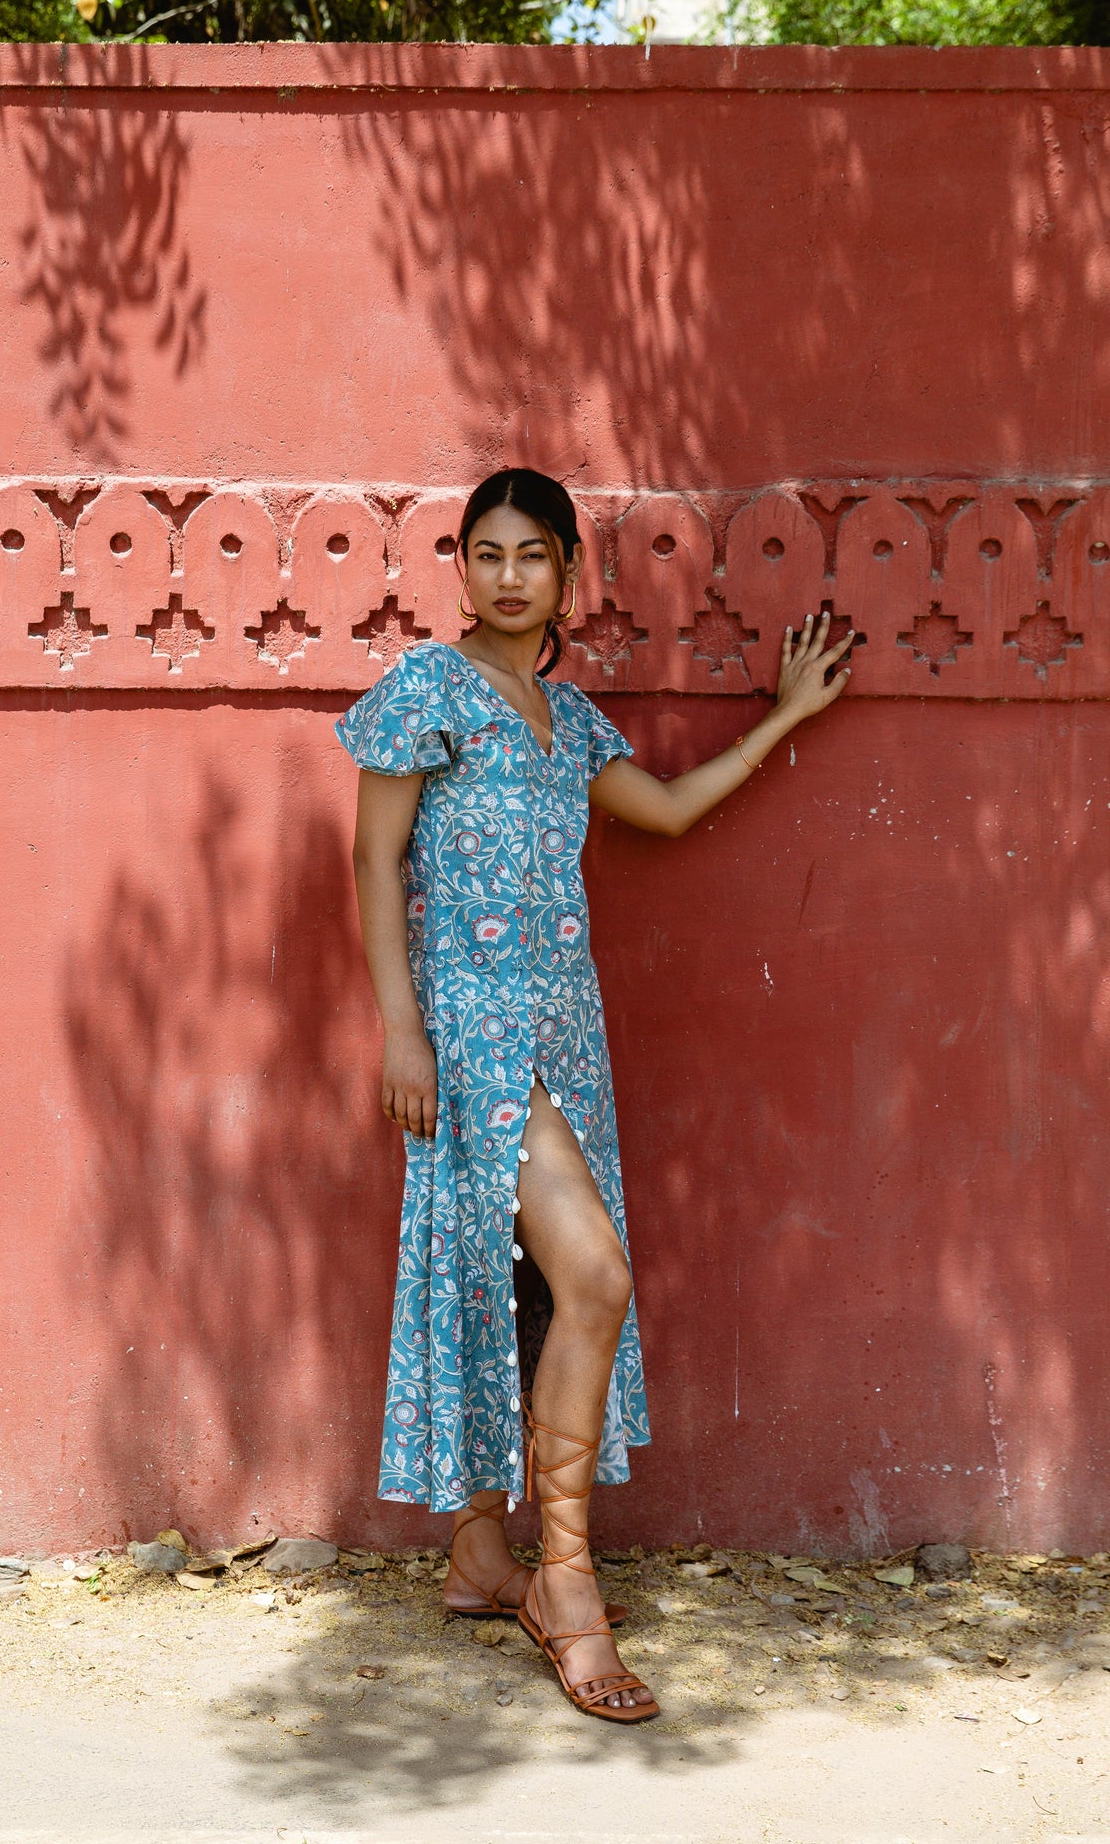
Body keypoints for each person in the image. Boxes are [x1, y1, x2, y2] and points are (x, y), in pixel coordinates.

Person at [336, 469, 851, 1724]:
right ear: (460, 565)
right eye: (486, 554)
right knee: (595, 1276)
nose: (507, 576)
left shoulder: (572, 723)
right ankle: (561, 1582)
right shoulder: (425, 695)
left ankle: (477, 1559)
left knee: (512, 1282)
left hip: (565, 1036)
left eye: (533, 556)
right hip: (467, 1034)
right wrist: (401, 1031)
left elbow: (665, 810)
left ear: (570, 571)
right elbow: (371, 856)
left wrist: (779, 718)